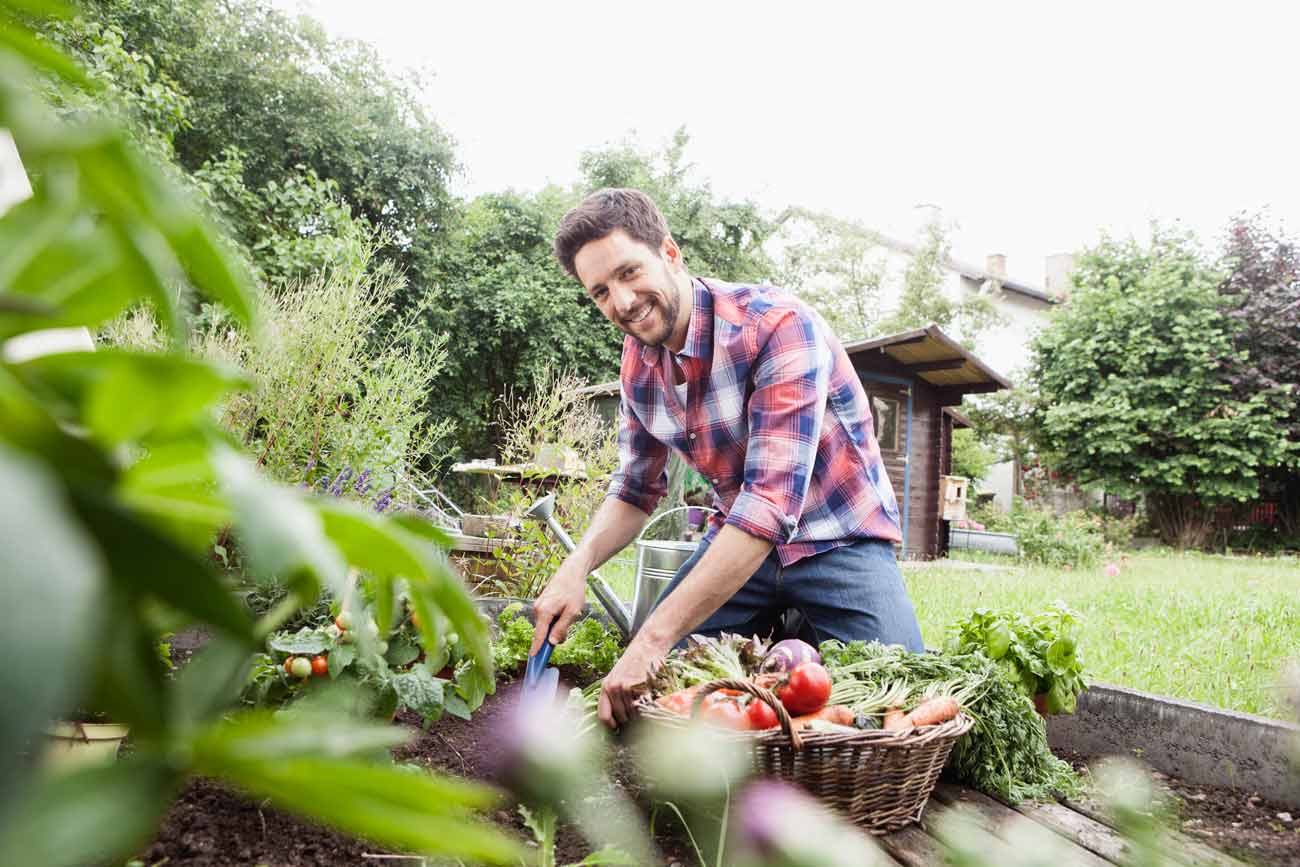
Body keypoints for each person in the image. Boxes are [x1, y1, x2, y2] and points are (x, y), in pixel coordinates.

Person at [530, 188, 923, 728]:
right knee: (654, 703)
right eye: (599, 291)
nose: (620, 303)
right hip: (739, 550)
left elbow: (769, 505)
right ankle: (784, 636)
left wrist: (652, 638)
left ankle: (797, 632)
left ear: (669, 254)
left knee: (901, 699)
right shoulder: (638, 366)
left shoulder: (777, 326)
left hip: (840, 537)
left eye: (628, 272)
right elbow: (634, 488)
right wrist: (576, 565)